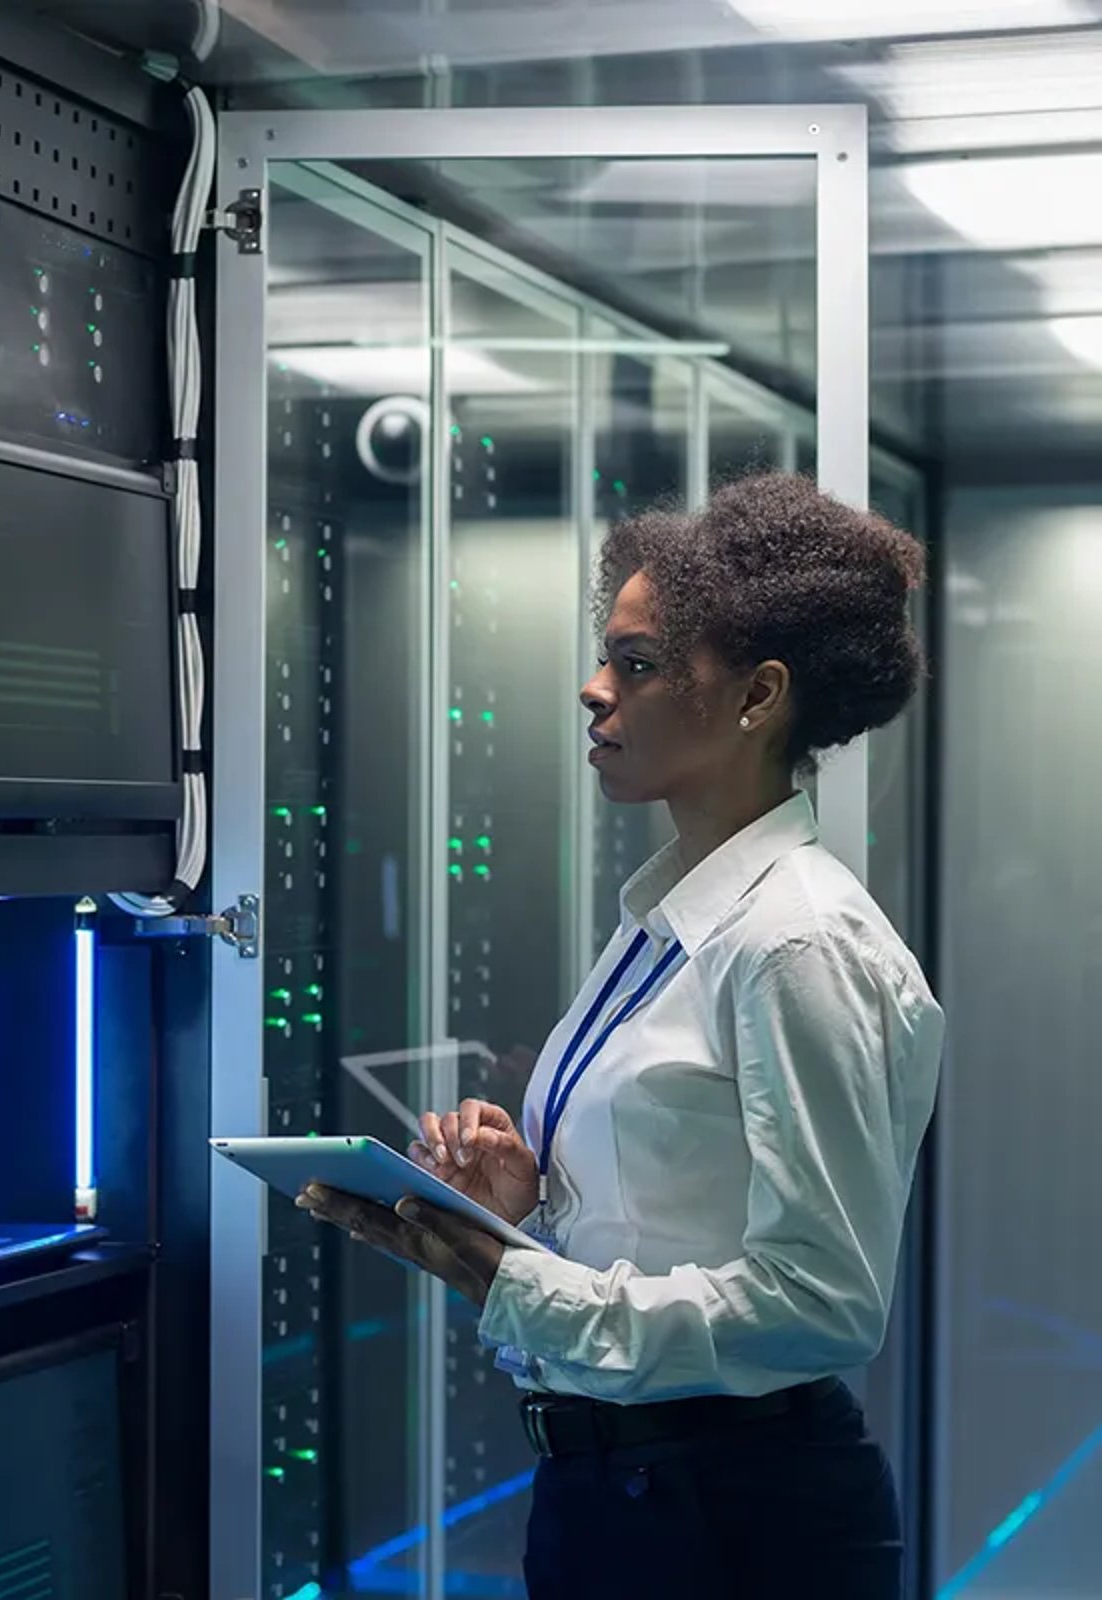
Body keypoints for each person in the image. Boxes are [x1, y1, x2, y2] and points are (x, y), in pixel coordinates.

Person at [300, 475, 945, 1600]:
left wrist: (520, 1283)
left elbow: (822, 1303)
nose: (594, 691)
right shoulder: (674, 918)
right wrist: (525, 1211)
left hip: (735, 1520)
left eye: (637, 665)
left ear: (758, 697)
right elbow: (672, 1219)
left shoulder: (795, 939)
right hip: (621, 1495)